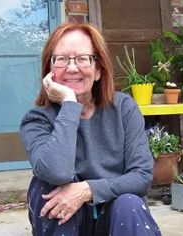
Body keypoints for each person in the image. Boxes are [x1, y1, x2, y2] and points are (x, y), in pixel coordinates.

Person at [20, 22, 161, 236]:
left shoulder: (123, 109)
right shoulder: (37, 120)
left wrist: (88, 190)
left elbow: (141, 176)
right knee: (45, 187)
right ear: (50, 72)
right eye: (61, 59)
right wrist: (69, 104)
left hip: (116, 218)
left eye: (82, 59)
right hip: (65, 222)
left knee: (129, 203)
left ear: (98, 70)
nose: (72, 67)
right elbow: (57, 172)